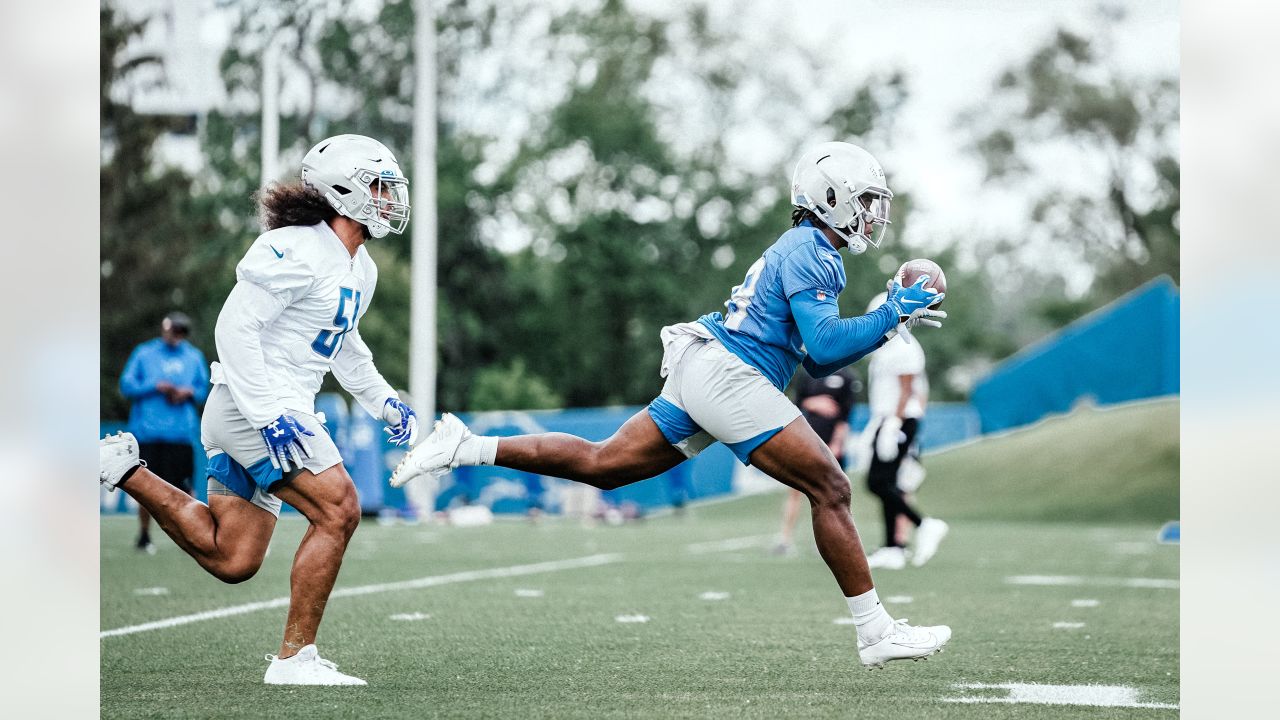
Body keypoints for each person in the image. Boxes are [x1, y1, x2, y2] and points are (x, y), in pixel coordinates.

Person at [394, 141, 952, 668]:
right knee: (830, 488)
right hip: (731, 372)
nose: (871, 215)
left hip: (709, 367)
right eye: (864, 202)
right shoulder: (814, 251)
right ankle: (875, 631)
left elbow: (820, 362)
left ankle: (467, 446)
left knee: (602, 465)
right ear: (829, 197)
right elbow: (828, 345)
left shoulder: (807, 249)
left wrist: (890, 321)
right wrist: (891, 314)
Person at [99, 134, 419, 686]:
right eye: (379, 185)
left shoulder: (360, 267)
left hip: (273, 409)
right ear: (343, 190)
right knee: (339, 507)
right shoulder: (296, 246)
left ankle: (124, 470)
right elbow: (234, 328)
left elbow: (342, 346)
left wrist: (384, 400)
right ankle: (295, 660)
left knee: (234, 558)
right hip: (255, 407)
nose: (390, 198)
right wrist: (269, 413)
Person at [861, 292, 949, 570]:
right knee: (885, 483)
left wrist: (894, 424)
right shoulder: (886, 347)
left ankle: (924, 524)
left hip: (898, 419)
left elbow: (908, 390)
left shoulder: (906, 347)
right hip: (886, 418)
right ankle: (893, 548)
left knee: (878, 482)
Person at [118, 312, 210, 554]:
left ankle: (191, 537)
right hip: (148, 432)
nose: (176, 336)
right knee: (145, 488)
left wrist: (187, 392)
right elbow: (126, 385)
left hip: (180, 434)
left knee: (185, 489)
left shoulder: (193, 356)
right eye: (174, 330)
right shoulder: (144, 353)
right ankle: (144, 535)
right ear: (165, 329)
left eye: (181, 332)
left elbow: (203, 390)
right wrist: (155, 386)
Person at [775, 367, 859, 556]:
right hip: (807, 441)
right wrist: (813, 402)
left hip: (832, 444)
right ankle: (784, 538)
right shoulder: (809, 373)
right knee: (795, 491)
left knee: (832, 495)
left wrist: (838, 444)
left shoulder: (847, 376)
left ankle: (831, 540)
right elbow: (796, 403)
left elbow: (845, 417)